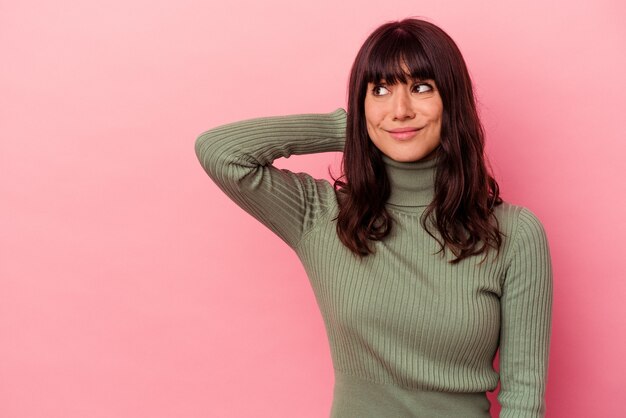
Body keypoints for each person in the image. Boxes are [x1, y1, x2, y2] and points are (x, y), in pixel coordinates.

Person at [195, 18, 552, 418]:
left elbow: (523, 397)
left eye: (421, 88)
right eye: (380, 90)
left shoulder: (514, 233)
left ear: (452, 100)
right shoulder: (322, 216)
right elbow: (220, 152)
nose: (399, 111)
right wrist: (349, 128)